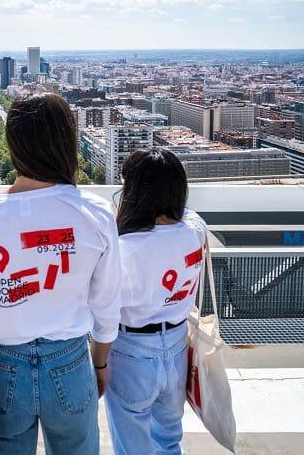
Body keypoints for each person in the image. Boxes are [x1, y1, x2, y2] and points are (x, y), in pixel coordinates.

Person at [0, 94, 121, 455]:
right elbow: (107, 309)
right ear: (67, 142)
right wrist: (99, 362)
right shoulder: (96, 214)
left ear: (13, 146)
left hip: (0, 365)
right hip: (70, 360)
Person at [104, 148, 208, 455]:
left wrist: (98, 361)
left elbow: (105, 308)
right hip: (177, 347)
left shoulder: (124, 247)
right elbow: (188, 213)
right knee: (169, 440)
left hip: (132, 351)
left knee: (132, 446)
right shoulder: (195, 231)